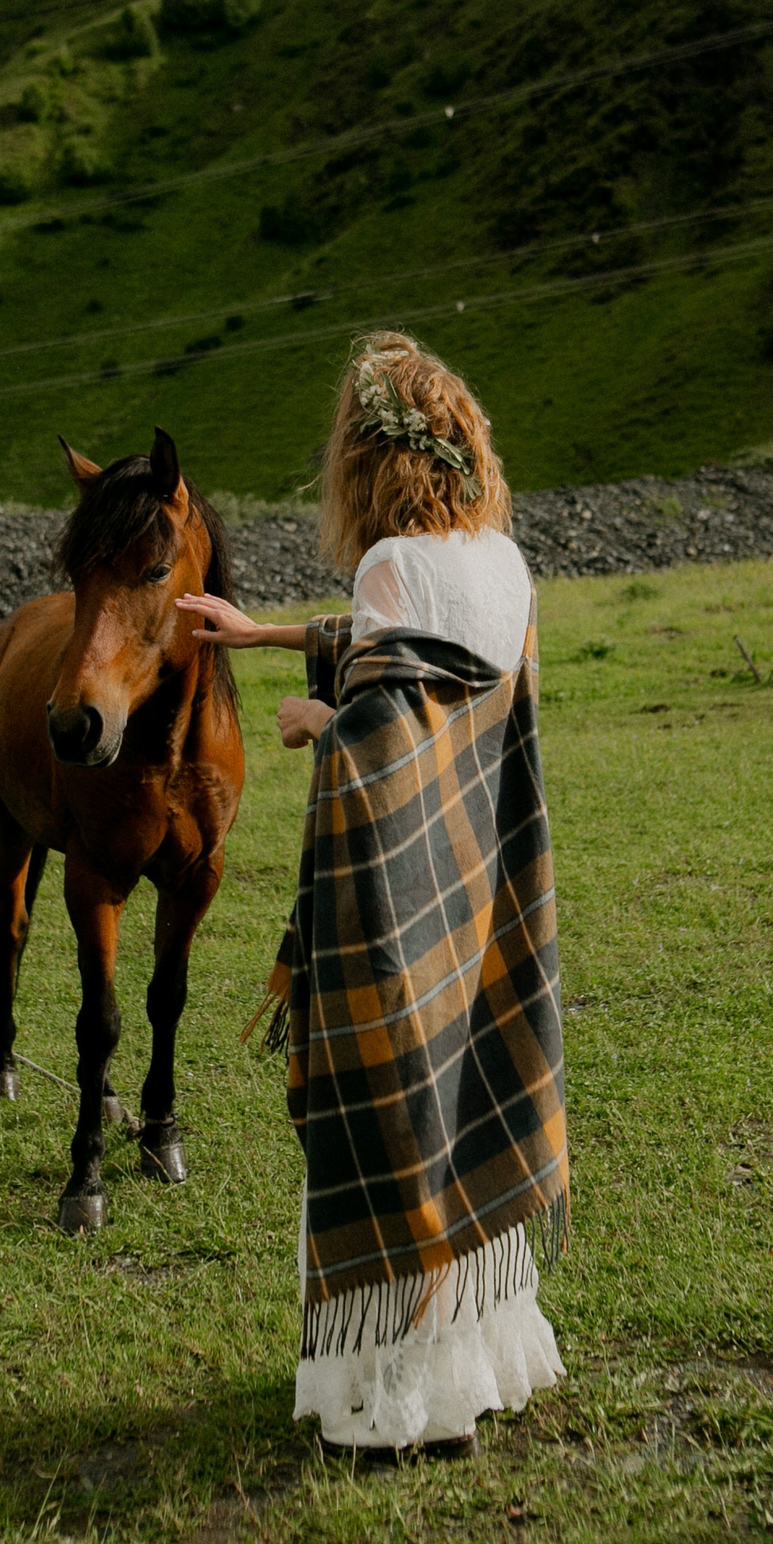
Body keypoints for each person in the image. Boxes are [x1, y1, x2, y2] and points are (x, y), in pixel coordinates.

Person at [177, 331, 568, 1456]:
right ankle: (477, 1363)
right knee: (455, 1105)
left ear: (367, 459)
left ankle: (396, 1399)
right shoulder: (503, 558)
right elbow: (431, 659)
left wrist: (315, 720)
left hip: (395, 902)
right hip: (478, 894)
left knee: (392, 1121)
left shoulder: (388, 562)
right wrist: (263, 634)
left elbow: (389, 711)